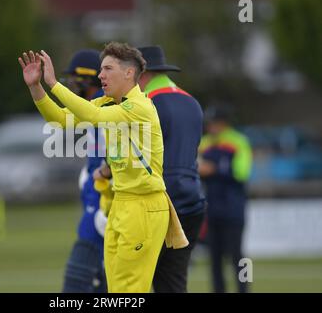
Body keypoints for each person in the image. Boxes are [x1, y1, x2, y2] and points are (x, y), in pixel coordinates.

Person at [18, 42, 189, 293]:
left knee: (129, 291)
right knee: (116, 290)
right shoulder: (108, 102)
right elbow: (61, 120)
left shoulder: (138, 107)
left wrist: (54, 83)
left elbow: (92, 117)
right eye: (101, 69)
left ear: (129, 73)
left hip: (145, 207)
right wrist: (36, 88)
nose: (100, 75)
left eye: (107, 69)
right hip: (120, 203)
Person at [136, 45, 207, 293]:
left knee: (132, 282)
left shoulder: (145, 103)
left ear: (141, 74)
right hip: (192, 202)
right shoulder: (193, 102)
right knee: (173, 283)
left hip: (158, 204)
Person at [60, 49, 107, 293]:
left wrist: (103, 205)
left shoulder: (103, 107)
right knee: (104, 285)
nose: (69, 85)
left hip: (103, 208)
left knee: (76, 284)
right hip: (98, 204)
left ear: (88, 79)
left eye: (73, 79)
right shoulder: (91, 107)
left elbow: (113, 161)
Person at [198, 104, 252, 293]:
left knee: (239, 256)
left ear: (225, 123)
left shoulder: (239, 141)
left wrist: (214, 170)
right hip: (211, 210)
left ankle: (245, 289)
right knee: (214, 258)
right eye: (209, 124)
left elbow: (242, 172)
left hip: (233, 208)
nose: (211, 127)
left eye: (215, 123)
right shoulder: (203, 143)